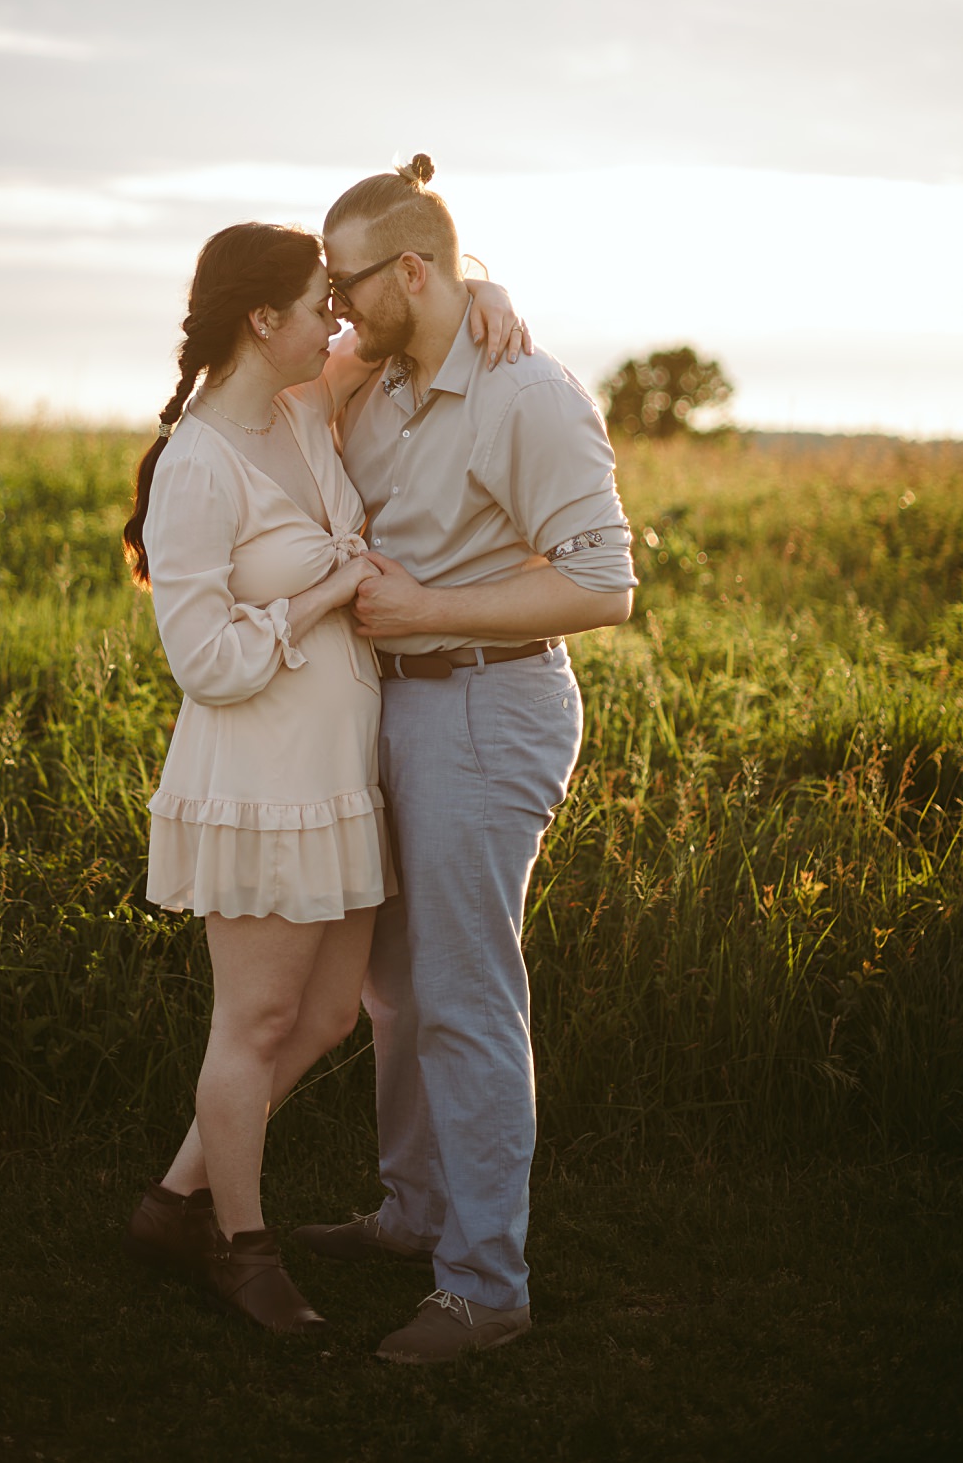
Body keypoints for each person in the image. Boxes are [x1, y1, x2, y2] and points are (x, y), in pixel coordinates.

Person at [121, 219, 524, 1337]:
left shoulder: (302, 409)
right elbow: (202, 663)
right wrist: (317, 598)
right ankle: (241, 1251)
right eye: (315, 307)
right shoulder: (198, 464)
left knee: (330, 1016)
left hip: (337, 773)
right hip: (255, 783)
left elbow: (419, 316)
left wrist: (486, 295)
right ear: (263, 319)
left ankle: (171, 1199)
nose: (334, 322)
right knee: (251, 1025)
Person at [291, 156, 637, 1365]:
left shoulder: (527, 394)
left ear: (413, 270)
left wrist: (431, 609)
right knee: (392, 984)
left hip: (490, 708)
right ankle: (415, 1214)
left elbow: (601, 585)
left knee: (467, 998)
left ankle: (486, 1285)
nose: (333, 304)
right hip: (393, 706)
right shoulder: (376, 379)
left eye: (346, 284)